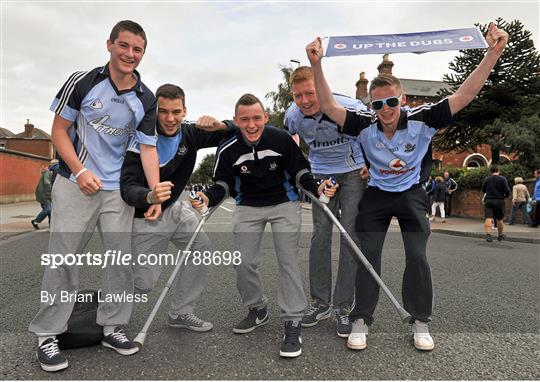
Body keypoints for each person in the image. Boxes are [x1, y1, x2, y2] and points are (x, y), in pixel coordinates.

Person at [305, 22, 508, 351]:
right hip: (378, 195)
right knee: (367, 255)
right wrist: (316, 63)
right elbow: (329, 106)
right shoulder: (365, 124)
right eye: (377, 105)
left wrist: (493, 53)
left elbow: (464, 95)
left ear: (402, 100)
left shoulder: (423, 118)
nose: (384, 111)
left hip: (411, 194)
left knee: (417, 256)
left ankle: (420, 320)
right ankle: (361, 318)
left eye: (391, 103)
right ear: (370, 105)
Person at [29, 20, 161, 372]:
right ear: (110, 45)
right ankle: (47, 334)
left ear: (143, 53)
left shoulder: (146, 99)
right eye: (124, 46)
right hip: (75, 183)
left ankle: (112, 327)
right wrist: (80, 170)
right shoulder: (83, 81)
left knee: (119, 262)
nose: (130, 54)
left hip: (116, 192)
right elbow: (59, 131)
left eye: (137, 49)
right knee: (63, 259)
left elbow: (148, 150)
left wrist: (154, 196)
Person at [191, 93, 338, 358]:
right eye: (244, 119)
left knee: (288, 261)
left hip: (284, 203)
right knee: (243, 262)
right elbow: (222, 184)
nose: (251, 125)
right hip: (247, 206)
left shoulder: (280, 139)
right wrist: (207, 199)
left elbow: (300, 171)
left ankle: (292, 320)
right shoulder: (227, 146)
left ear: (266, 117)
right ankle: (257, 308)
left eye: (257, 118)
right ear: (236, 120)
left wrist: (317, 188)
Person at [121, 83, 234, 331]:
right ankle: (104, 303)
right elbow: (127, 186)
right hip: (146, 217)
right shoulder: (140, 139)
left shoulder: (190, 134)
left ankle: (181, 312)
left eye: (176, 112)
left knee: (202, 248)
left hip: (176, 210)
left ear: (184, 111)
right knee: (144, 284)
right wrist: (148, 195)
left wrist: (221, 125)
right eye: (163, 111)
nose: (170, 119)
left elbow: (233, 131)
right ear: (155, 111)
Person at [284, 66, 368, 337]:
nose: (305, 101)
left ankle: (343, 306)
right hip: (321, 174)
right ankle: (320, 303)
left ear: (322, 88)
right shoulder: (292, 116)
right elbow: (291, 145)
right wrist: (303, 174)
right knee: (320, 235)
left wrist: (369, 163)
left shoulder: (349, 105)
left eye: (310, 93)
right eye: (298, 96)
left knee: (349, 235)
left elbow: (371, 133)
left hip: (354, 172)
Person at [481, 165, 511, 242]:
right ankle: (500, 235)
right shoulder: (502, 179)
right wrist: (506, 196)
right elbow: (507, 190)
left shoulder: (487, 179)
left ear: (491, 171)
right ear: (498, 171)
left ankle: (488, 235)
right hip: (499, 200)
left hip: (489, 200)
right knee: (499, 219)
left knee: (488, 218)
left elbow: (483, 190)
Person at [31, 160, 58, 229]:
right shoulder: (48, 172)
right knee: (48, 209)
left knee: (50, 210)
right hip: (44, 194)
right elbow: (46, 183)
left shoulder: (50, 171)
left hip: (45, 193)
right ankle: (35, 221)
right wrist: (50, 191)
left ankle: (51, 225)